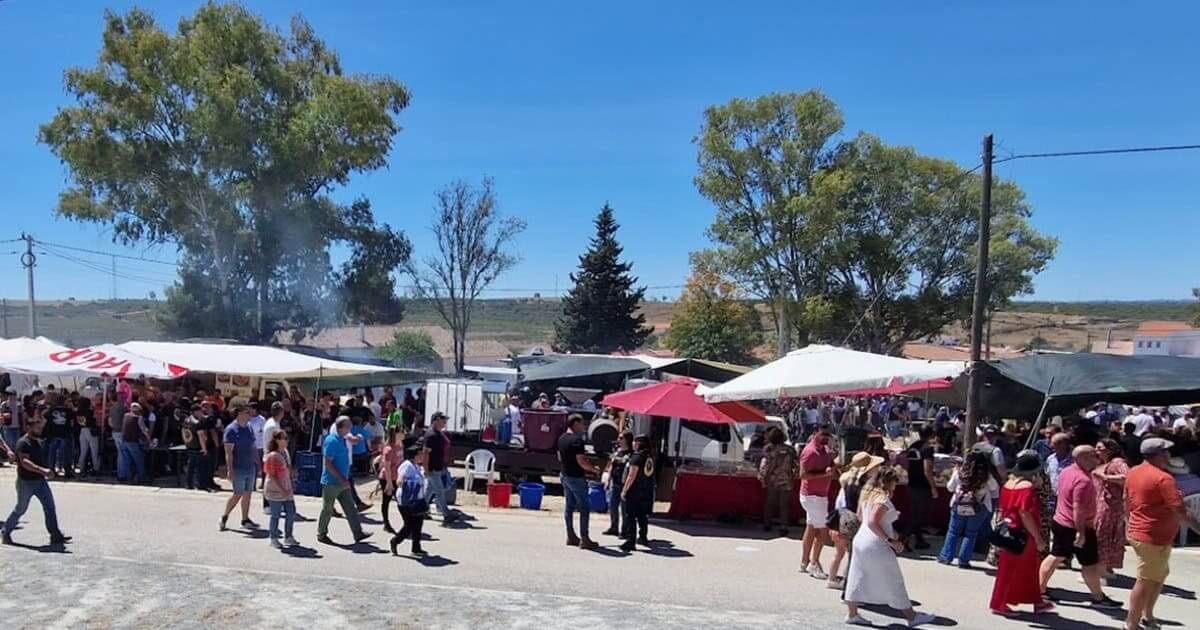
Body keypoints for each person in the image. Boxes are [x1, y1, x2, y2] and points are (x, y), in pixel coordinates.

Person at [843, 467, 936, 628]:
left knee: (857, 576)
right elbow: (873, 522)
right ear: (889, 483)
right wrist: (891, 540)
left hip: (861, 540)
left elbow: (861, 517)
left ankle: (852, 614)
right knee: (893, 578)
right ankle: (911, 616)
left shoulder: (867, 496)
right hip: (875, 543)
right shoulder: (882, 499)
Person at [1124, 437, 1200, 630]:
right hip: (1152, 537)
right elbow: (1180, 511)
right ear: (1158, 455)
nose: (1169, 455)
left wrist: (1128, 523)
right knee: (1146, 581)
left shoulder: (1133, 471)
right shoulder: (1164, 479)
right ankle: (1131, 624)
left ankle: (1147, 617)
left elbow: (1126, 500)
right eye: (1166, 452)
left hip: (1147, 533)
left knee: (1157, 576)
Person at [1037, 445, 1120, 608]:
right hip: (1076, 526)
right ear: (1082, 458)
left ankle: (1040, 589)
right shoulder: (1083, 480)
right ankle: (1098, 597)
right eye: (1093, 456)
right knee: (1088, 563)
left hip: (1061, 520)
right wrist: (1081, 533)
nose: (1097, 459)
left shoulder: (1066, 472)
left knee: (1056, 556)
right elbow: (1078, 509)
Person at [989, 451, 1054, 615]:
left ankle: (1036, 601)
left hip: (1010, 530)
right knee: (1018, 569)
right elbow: (1025, 513)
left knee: (1019, 568)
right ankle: (1000, 603)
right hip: (1023, 533)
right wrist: (1038, 538)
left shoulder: (1008, 483)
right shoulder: (1027, 487)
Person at [1, 414, 71, 546]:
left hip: (40, 481)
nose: (39, 430)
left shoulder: (37, 441)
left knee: (49, 507)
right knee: (20, 509)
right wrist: (42, 470)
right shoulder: (23, 443)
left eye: (40, 428)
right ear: (29, 428)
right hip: (26, 482)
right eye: (37, 428)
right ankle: (5, 532)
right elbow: (24, 462)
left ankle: (55, 534)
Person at [828, 451, 884, 590]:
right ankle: (849, 587)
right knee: (854, 556)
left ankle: (836, 580)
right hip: (855, 521)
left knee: (844, 553)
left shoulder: (849, 481)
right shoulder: (864, 486)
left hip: (845, 519)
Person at [938, 451, 999, 568]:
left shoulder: (959, 473)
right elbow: (994, 488)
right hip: (978, 507)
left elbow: (950, 488)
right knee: (971, 534)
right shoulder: (986, 476)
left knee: (953, 531)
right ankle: (963, 560)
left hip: (959, 505)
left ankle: (946, 556)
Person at [317, 416, 371, 545]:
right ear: (341, 427)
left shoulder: (343, 439)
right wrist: (341, 478)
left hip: (343, 481)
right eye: (348, 425)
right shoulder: (332, 441)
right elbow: (328, 463)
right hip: (331, 482)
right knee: (328, 508)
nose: (350, 427)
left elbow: (355, 440)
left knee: (350, 508)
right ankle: (321, 533)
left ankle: (358, 533)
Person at [558, 413, 600, 549]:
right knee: (584, 507)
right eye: (582, 424)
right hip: (576, 477)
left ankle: (570, 535)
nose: (584, 426)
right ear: (575, 424)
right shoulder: (577, 440)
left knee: (569, 506)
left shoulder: (562, 438)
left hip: (565, 475)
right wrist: (594, 469)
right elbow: (581, 461)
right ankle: (585, 538)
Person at [798, 423, 835, 579]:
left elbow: (829, 466)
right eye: (823, 434)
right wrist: (824, 475)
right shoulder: (810, 452)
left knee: (812, 527)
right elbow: (803, 475)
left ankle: (804, 562)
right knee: (823, 530)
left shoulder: (825, 450)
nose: (826, 437)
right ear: (815, 434)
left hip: (820, 495)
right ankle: (814, 563)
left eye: (828, 434)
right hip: (812, 496)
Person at [1093, 438, 1129, 582]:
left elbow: (1127, 477)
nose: (1096, 451)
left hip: (1110, 506)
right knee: (1102, 535)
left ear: (1110, 449)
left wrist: (1105, 477)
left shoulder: (1118, 463)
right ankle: (1104, 568)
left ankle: (1103, 570)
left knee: (1104, 535)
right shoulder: (1104, 463)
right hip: (1101, 504)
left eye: (1099, 448)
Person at [220, 405, 259, 532]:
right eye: (247, 412)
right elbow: (228, 452)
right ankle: (225, 516)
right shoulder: (231, 430)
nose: (249, 415)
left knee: (248, 493)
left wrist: (257, 463)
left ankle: (245, 519)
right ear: (240, 413)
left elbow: (253, 447)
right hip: (238, 467)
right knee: (238, 494)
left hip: (249, 466)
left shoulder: (249, 428)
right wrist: (230, 470)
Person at [390, 444, 429, 556]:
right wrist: (409, 485)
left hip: (417, 500)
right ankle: (395, 541)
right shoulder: (407, 465)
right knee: (409, 525)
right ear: (415, 455)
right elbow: (399, 480)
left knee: (418, 524)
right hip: (406, 501)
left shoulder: (416, 466)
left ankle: (416, 548)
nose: (423, 456)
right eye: (421, 454)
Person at [758, 426, 798, 535]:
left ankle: (767, 524)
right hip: (786, 479)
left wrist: (763, 477)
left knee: (769, 502)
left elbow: (766, 465)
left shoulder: (769, 449)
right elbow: (795, 464)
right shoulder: (790, 450)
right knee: (784, 504)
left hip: (772, 479)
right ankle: (783, 526)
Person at [619, 434, 656, 553]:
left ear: (639, 443)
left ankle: (630, 541)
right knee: (642, 515)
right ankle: (643, 536)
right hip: (646, 490)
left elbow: (631, 475)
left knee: (630, 516)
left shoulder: (637, 457)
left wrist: (624, 490)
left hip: (635, 490)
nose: (633, 444)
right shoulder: (649, 456)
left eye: (635, 442)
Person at [905, 426, 939, 550]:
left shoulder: (913, 446)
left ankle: (919, 540)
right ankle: (904, 538)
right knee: (918, 516)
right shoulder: (927, 449)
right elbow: (927, 470)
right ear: (931, 435)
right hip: (922, 486)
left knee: (916, 513)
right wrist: (933, 487)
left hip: (912, 483)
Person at [263, 429, 297, 548]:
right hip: (275, 489)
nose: (286, 440)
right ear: (277, 440)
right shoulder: (273, 456)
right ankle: (273, 538)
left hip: (287, 487)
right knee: (276, 515)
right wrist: (282, 489)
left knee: (291, 512)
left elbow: (289, 469)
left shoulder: (285, 452)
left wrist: (291, 483)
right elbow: (272, 475)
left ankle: (288, 536)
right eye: (284, 438)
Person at [422, 412, 457, 524]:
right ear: (436, 420)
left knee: (429, 491)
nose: (445, 423)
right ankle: (446, 514)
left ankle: (421, 510)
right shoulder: (431, 435)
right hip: (432, 468)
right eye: (443, 420)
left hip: (437, 467)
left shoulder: (438, 434)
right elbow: (426, 453)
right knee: (440, 491)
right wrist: (426, 469)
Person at [602, 431, 633, 537]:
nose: (618, 440)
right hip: (615, 483)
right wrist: (608, 479)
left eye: (621, 438)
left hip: (625, 484)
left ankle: (625, 530)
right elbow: (611, 466)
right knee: (613, 506)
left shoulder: (631, 454)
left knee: (624, 509)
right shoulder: (617, 452)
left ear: (627, 440)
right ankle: (613, 527)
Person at [378, 427, 406, 534]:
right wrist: (389, 484)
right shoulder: (389, 449)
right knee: (386, 501)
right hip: (387, 478)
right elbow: (387, 467)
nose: (404, 434)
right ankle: (386, 523)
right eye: (402, 432)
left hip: (397, 477)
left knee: (401, 501)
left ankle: (407, 523)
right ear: (396, 434)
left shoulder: (400, 446)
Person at [43, 395, 76, 478]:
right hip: (65, 433)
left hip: (53, 433)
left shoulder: (51, 410)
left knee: (52, 452)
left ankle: (51, 469)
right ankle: (67, 470)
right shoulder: (69, 411)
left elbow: (44, 417)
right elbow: (72, 423)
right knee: (65, 453)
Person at [120, 404, 150, 484]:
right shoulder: (139, 418)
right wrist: (149, 440)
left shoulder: (125, 415)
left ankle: (129, 478)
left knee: (127, 461)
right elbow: (144, 430)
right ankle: (141, 478)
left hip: (124, 440)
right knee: (139, 461)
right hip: (133, 441)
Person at [75, 396, 100, 477]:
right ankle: (96, 468)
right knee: (94, 451)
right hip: (91, 430)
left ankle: (81, 468)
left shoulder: (78, 412)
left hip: (82, 430)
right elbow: (96, 419)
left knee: (83, 451)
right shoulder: (90, 411)